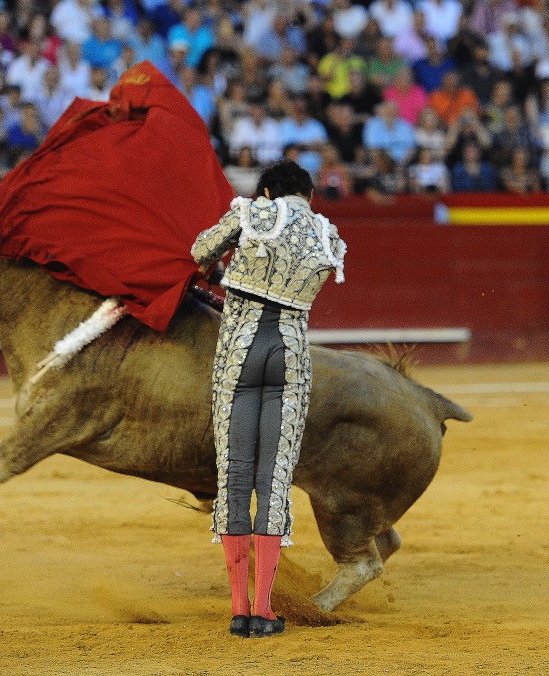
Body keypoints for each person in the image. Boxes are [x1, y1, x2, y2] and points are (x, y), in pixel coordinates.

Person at [191, 160, 346, 638]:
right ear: (310, 195)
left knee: (235, 473)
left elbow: (200, 251)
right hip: (290, 356)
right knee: (273, 476)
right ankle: (265, 611)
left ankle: (239, 611)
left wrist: (227, 271)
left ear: (266, 191)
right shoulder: (329, 236)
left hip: (240, 351)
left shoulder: (254, 213)